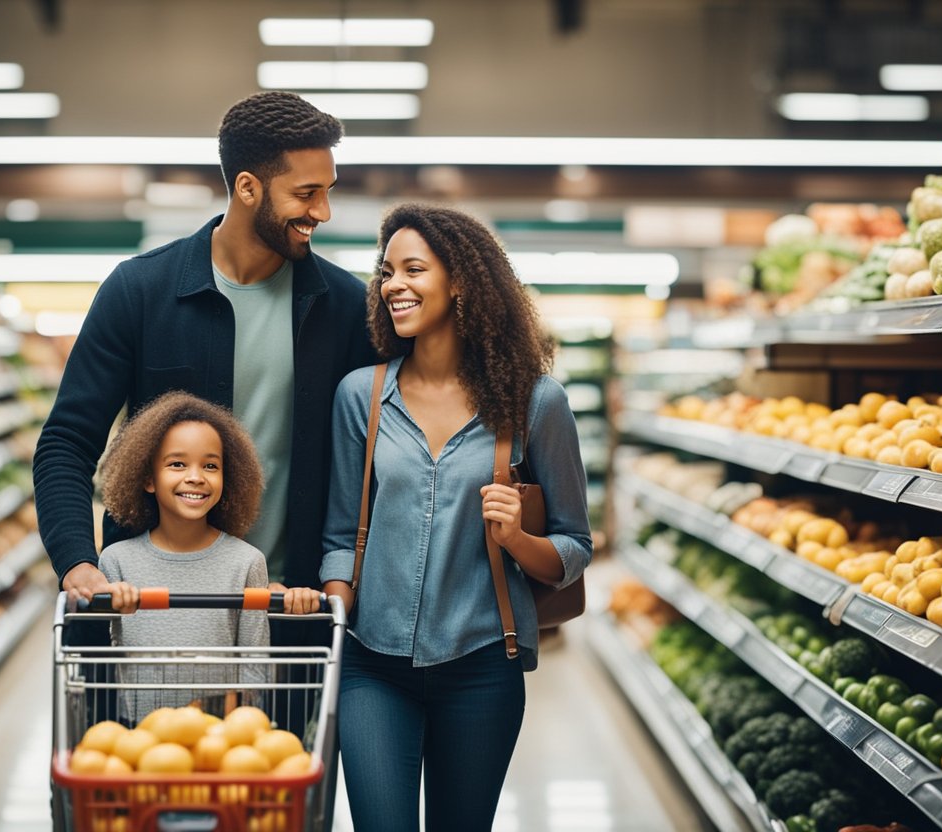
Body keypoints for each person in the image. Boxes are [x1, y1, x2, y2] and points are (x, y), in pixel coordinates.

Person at [34, 90, 375, 607]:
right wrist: (78, 561)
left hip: (293, 604)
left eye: (327, 191)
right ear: (247, 187)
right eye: (307, 193)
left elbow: (372, 463)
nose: (322, 211)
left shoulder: (346, 307)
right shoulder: (140, 291)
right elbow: (67, 440)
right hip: (154, 604)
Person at [320, 204, 593, 831]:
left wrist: (518, 538)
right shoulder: (360, 395)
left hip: (482, 666)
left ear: (462, 281)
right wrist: (335, 614)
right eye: (387, 271)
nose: (393, 285)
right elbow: (340, 534)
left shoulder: (534, 403)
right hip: (371, 663)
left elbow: (575, 545)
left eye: (413, 269)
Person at [95, 392, 319, 722]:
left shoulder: (247, 562)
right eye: (177, 464)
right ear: (147, 478)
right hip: (140, 742)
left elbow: (254, 667)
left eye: (210, 465)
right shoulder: (116, 562)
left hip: (221, 741)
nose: (196, 477)